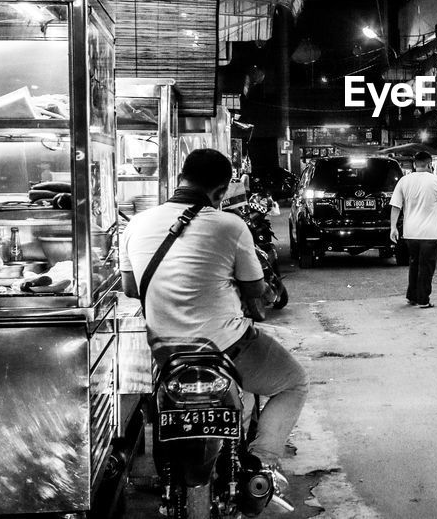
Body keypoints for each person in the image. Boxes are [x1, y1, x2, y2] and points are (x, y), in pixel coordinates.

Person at [120, 148, 308, 482]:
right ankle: (260, 463)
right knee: (294, 382)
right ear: (221, 192)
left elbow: (131, 288)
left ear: (180, 177)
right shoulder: (230, 225)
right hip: (225, 347)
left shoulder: (137, 223)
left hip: (165, 352)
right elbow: (255, 289)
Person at [390, 151, 437, 308]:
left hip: (410, 233)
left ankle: (412, 296)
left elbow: (396, 206)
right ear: (429, 164)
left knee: (414, 263)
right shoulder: (436, 180)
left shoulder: (404, 181)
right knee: (426, 267)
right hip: (430, 234)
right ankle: (423, 299)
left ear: (414, 164)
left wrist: (393, 227)